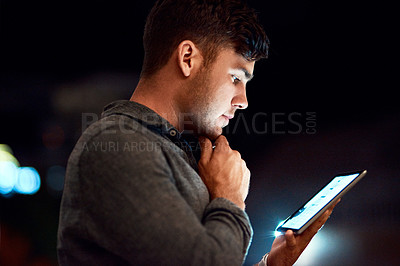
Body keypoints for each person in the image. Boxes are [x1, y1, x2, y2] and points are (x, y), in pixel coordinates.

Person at [57, 0, 338, 265]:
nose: (243, 100)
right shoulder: (116, 144)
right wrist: (228, 200)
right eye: (236, 78)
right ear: (188, 58)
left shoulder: (175, 150)